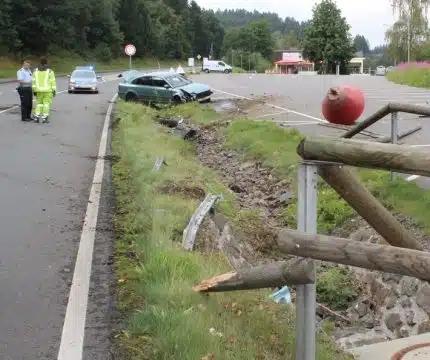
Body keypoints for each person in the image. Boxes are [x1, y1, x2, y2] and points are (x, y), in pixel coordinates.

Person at [32, 56, 56, 123]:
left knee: (39, 104)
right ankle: (45, 118)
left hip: (38, 90)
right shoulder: (50, 71)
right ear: (47, 62)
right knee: (46, 104)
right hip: (47, 91)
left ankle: (36, 117)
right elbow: (53, 82)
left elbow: (33, 81)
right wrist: (54, 90)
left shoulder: (35, 71)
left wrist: (34, 90)